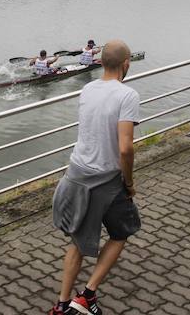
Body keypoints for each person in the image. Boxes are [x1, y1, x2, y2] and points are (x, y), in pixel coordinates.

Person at [50, 40, 141, 315]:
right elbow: (125, 148)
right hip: (107, 179)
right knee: (122, 231)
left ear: (100, 62)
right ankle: (87, 295)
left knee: (77, 242)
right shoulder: (128, 95)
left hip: (77, 173)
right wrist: (129, 182)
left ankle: (63, 304)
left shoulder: (87, 89)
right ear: (126, 64)